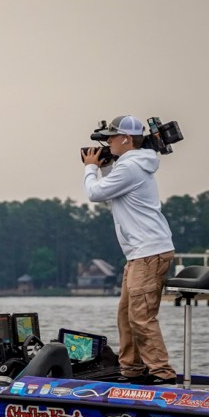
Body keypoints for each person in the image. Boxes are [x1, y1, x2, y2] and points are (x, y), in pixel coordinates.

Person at [81, 115, 176, 384]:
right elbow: (112, 192)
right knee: (126, 316)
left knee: (141, 317)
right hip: (140, 254)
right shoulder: (131, 165)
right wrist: (106, 167)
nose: (107, 143)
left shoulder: (132, 166)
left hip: (148, 253)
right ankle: (132, 370)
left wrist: (90, 168)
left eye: (111, 137)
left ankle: (162, 374)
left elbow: (95, 193)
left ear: (125, 138)